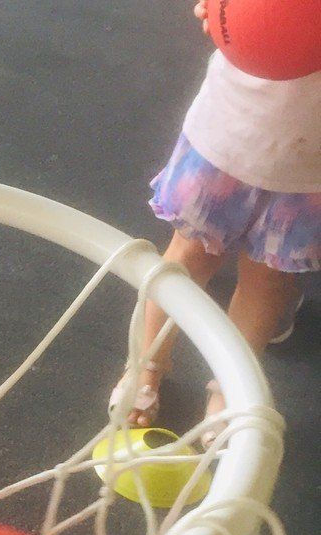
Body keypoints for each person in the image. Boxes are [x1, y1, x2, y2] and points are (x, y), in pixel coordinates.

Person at [110, 2, 319, 434]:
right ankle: (147, 363)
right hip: (229, 133)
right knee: (189, 255)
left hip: (308, 168)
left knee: (268, 281)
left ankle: (230, 387)